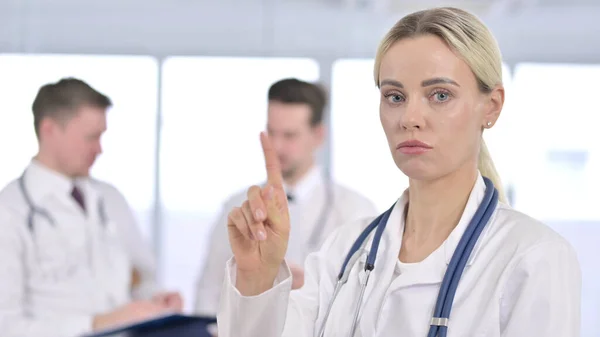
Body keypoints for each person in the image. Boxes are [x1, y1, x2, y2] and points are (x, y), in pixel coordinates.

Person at [217, 7, 582, 337]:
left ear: (492, 106)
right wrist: (258, 277)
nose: (409, 118)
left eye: (440, 95)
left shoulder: (534, 258)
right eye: (395, 96)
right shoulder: (346, 251)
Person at [0, 78, 183, 337]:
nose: (99, 149)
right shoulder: (10, 211)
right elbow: (6, 326)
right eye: (91, 137)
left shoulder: (110, 199)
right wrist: (98, 324)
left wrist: (154, 301)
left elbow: (140, 278)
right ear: (49, 130)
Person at [194, 78, 378, 317]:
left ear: (318, 135)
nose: (277, 146)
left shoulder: (356, 210)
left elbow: (369, 301)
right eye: (272, 132)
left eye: (290, 136)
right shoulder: (238, 207)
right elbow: (208, 291)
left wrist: (314, 288)